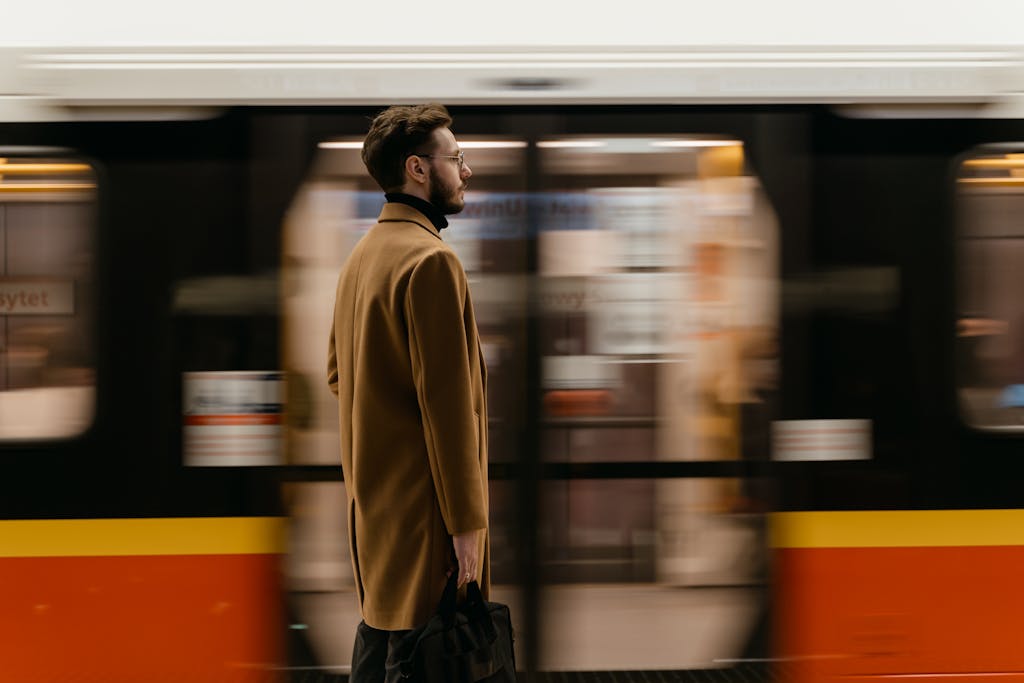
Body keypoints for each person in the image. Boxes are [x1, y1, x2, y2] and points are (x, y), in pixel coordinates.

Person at [326, 103, 489, 683]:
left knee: (379, 650)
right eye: (458, 159)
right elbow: (448, 414)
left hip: (375, 520)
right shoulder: (432, 262)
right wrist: (467, 528)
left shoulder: (360, 259)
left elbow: (339, 376)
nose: (466, 171)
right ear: (418, 169)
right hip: (427, 527)